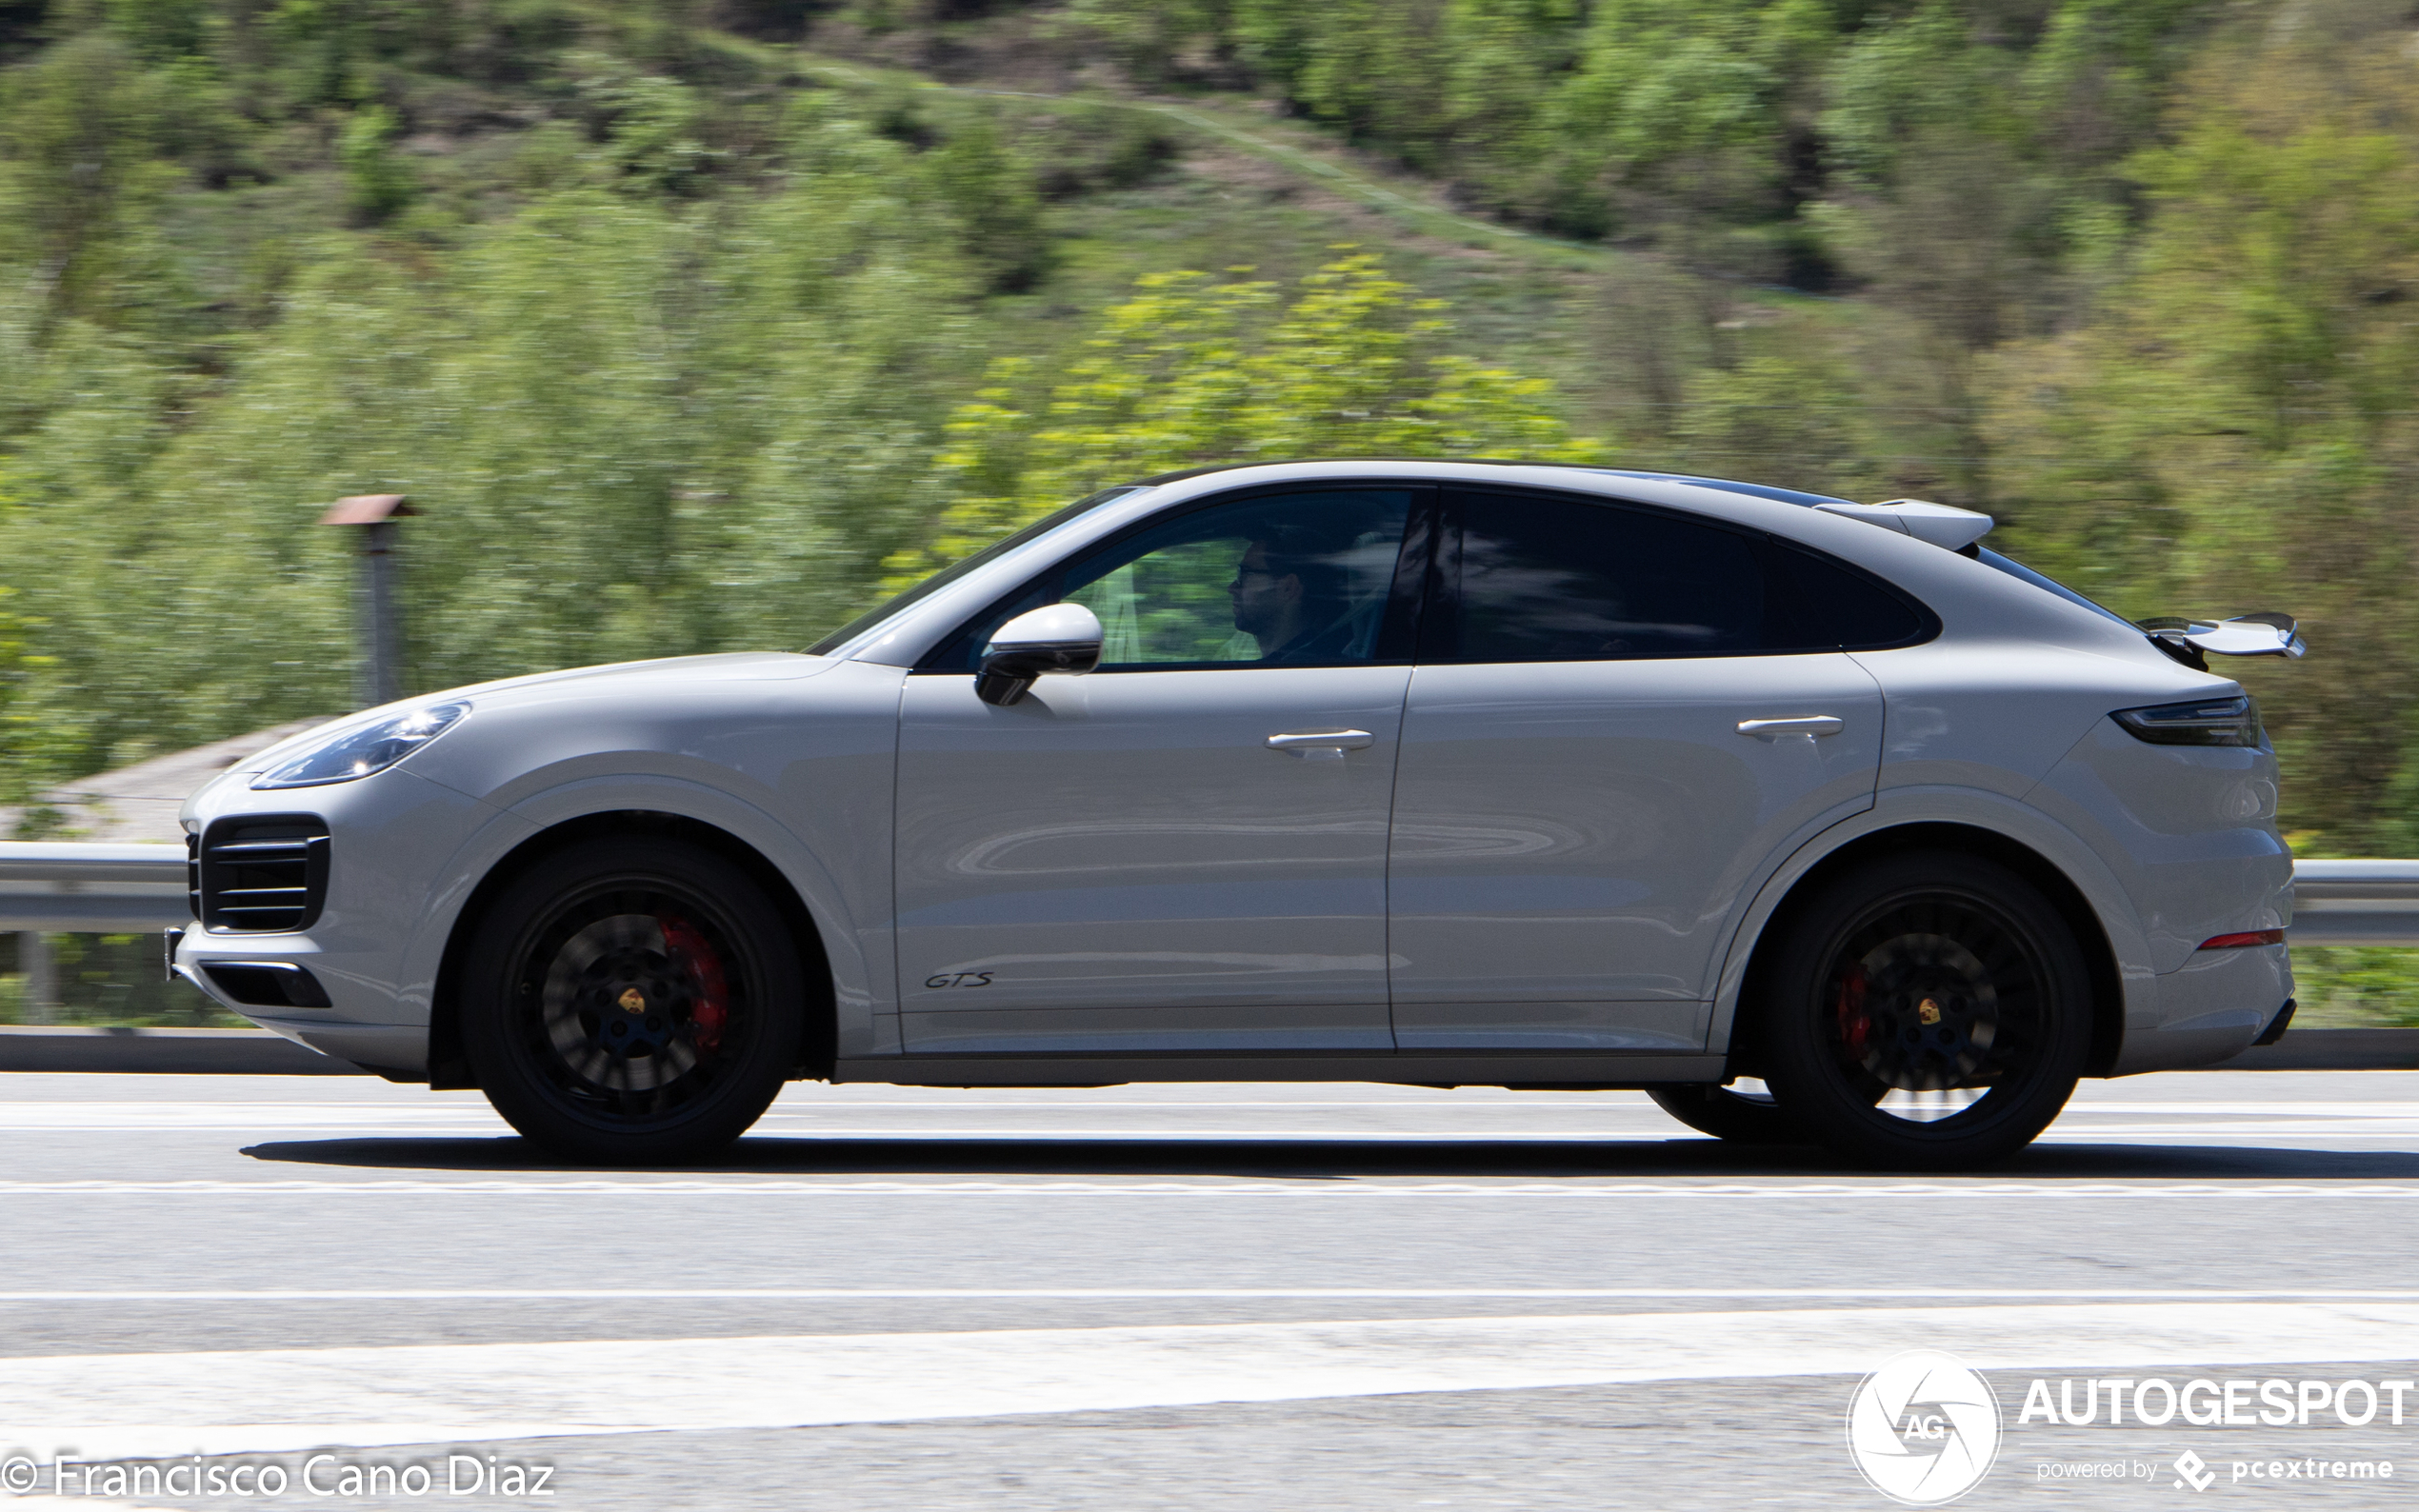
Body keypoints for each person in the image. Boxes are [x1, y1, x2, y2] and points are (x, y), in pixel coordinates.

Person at [1228, 524, 1359, 662]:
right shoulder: (1297, 663)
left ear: (1288, 588)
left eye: (1246, 574)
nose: (1231, 588)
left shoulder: (1311, 669)